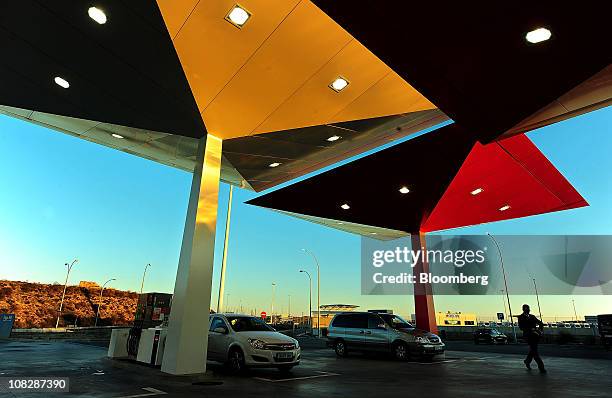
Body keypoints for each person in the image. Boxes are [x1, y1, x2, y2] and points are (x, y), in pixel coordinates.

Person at [518, 304, 546, 373]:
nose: (527, 310)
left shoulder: (532, 316)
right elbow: (521, 327)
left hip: (535, 335)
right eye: (526, 308)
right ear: (523, 309)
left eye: (528, 308)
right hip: (528, 336)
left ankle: (527, 361)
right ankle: (541, 367)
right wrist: (530, 329)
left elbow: (540, 323)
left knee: (533, 350)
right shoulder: (521, 317)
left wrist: (540, 331)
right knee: (535, 352)